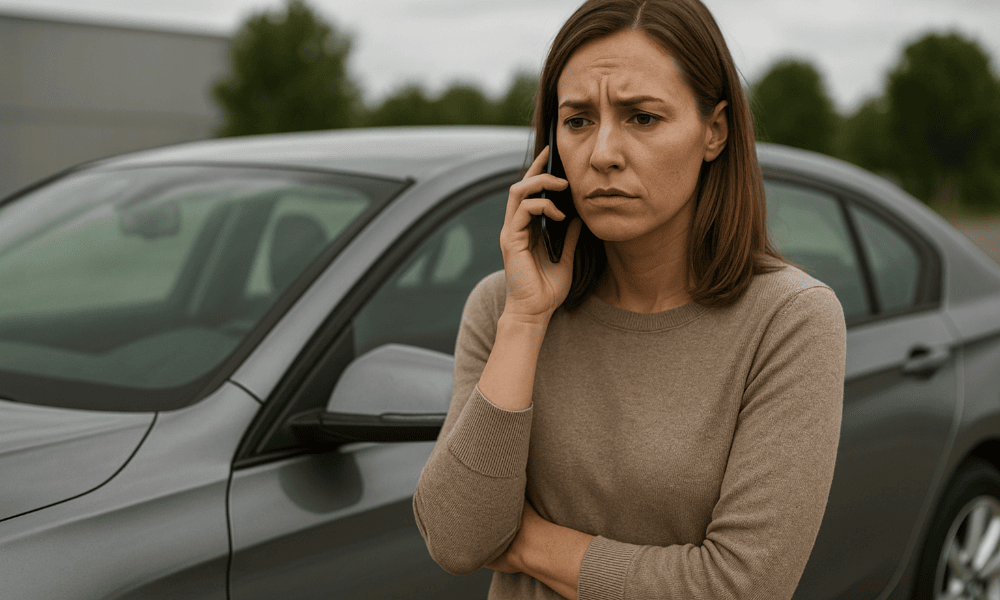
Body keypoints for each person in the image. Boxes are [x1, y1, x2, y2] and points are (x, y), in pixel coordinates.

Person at [412, 0, 846, 598]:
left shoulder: (789, 319)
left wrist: (526, 543)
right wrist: (526, 320)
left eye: (642, 117)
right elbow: (457, 540)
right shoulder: (503, 306)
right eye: (578, 120)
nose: (602, 154)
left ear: (714, 131)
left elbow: (741, 586)